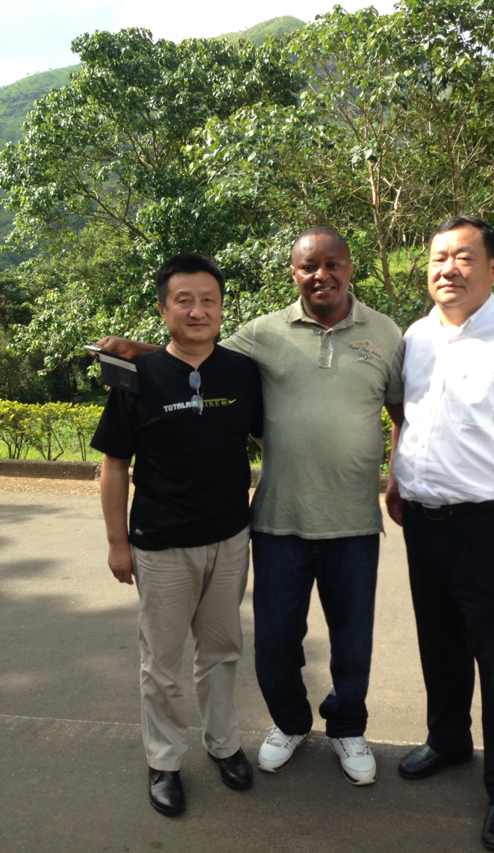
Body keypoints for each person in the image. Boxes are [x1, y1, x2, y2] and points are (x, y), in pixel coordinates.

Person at [98, 227, 404, 787]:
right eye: (309, 266)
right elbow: (191, 356)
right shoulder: (263, 333)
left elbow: (402, 412)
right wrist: (136, 351)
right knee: (272, 642)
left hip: (350, 520)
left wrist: (400, 477)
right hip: (274, 521)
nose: (322, 275)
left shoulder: (385, 332)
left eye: (333, 264)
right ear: (294, 272)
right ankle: (285, 724)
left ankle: (345, 728)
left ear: (350, 267)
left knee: (348, 639)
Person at [385, 216, 494, 852]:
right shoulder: (416, 336)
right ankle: (449, 740)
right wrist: (397, 477)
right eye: (438, 258)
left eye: (463, 257)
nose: (448, 269)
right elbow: (407, 416)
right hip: (423, 519)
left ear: (492, 268)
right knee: (440, 643)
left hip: (489, 525)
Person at [91, 253, 263, 817]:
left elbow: (270, 440)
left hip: (229, 539)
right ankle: (163, 760)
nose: (197, 311)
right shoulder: (138, 378)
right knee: (161, 662)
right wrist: (117, 542)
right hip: (160, 544)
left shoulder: (242, 373)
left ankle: (224, 744)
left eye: (208, 300)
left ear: (221, 308)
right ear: (164, 309)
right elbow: (115, 465)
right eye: (184, 300)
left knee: (222, 651)